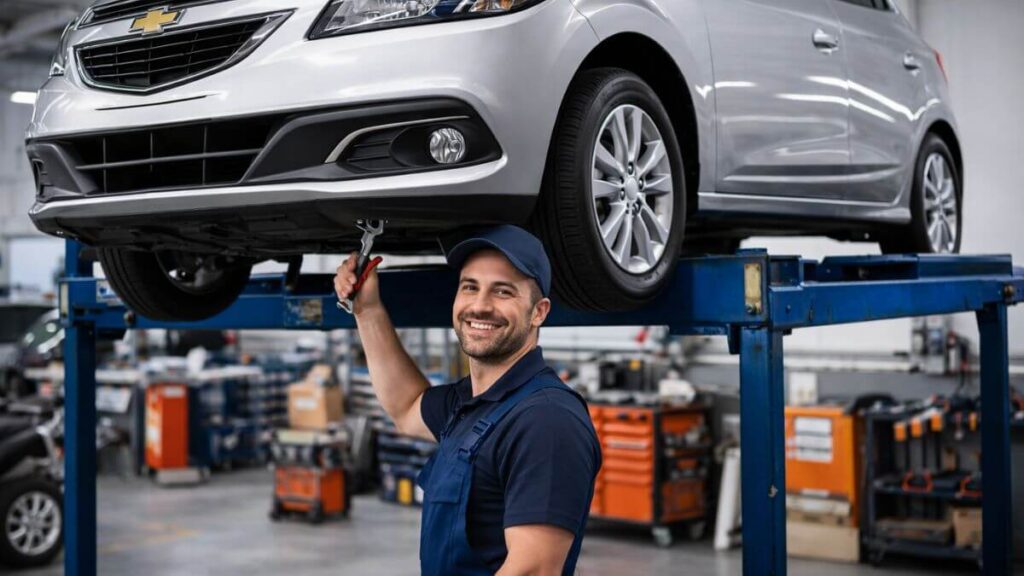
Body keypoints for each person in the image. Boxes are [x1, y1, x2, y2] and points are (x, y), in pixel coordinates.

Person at [334, 225, 600, 576]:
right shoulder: (470, 404)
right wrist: (367, 311)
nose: (480, 305)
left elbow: (532, 570)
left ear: (539, 312)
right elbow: (406, 406)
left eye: (503, 292)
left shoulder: (546, 419)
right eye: (469, 287)